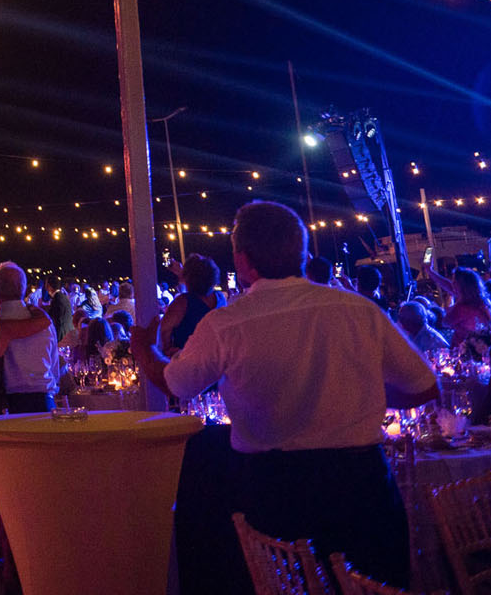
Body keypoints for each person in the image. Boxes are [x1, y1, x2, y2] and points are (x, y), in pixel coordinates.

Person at [130, 201, 438, 586]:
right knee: (376, 585)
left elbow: (176, 384)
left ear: (242, 260)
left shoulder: (227, 323)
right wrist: (361, 395)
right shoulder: (357, 309)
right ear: (302, 254)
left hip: (274, 487)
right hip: (361, 481)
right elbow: (425, 386)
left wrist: (145, 350)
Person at [0, 262, 56, 413]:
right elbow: (54, 368)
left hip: (7, 405)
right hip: (45, 402)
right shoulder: (44, 322)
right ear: (24, 289)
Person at [159, 254, 226, 355]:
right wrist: (184, 274)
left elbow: (163, 330)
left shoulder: (182, 302)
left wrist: (168, 350)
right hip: (215, 356)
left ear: (188, 278)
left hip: (188, 357)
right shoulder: (220, 298)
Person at [427, 263, 491, 345]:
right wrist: (430, 271)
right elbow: (448, 286)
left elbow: (445, 322)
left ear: (460, 285)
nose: (452, 284)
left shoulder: (461, 308)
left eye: (454, 281)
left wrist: (449, 303)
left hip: (464, 348)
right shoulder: (484, 301)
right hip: (483, 346)